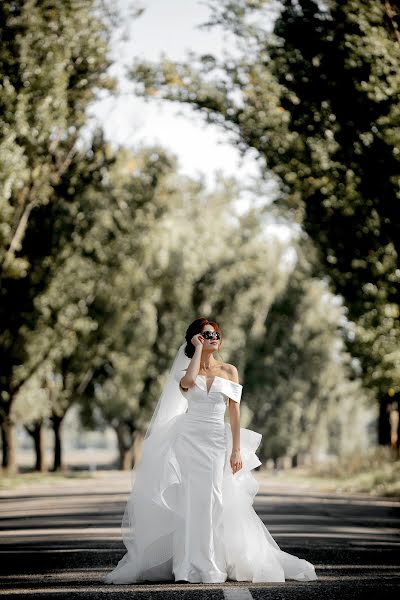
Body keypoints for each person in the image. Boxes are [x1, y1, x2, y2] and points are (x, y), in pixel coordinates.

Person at [103, 317, 318, 584]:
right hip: (189, 441)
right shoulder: (185, 374)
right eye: (207, 334)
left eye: (216, 333)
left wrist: (236, 450)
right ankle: (187, 566)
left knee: (215, 498)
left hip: (217, 441)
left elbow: (235, 413)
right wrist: (196, 352)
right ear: (196, 339)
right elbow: (189, 382)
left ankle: (212, 563)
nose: (214, 337)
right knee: (192, 499)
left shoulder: (229, 371)